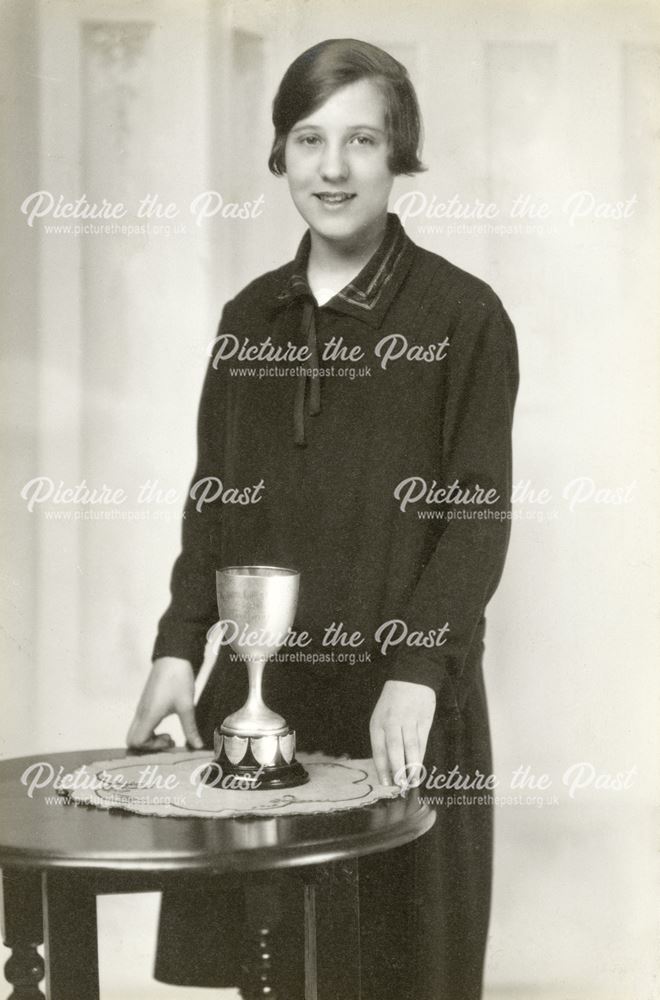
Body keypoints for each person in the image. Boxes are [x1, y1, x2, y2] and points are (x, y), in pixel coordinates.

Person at [127, 37, 519, 1000]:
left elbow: (476, 518)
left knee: (393, 969)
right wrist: (179, 647)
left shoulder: (463, 317)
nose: (332, 168)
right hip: (266, 704)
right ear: (281, 155)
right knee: (271, 974)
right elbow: (211, 497)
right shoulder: (247, 317)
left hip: (403, 710)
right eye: (309, 139)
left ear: (400, 155)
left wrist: (419, 672)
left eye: (362, 140)